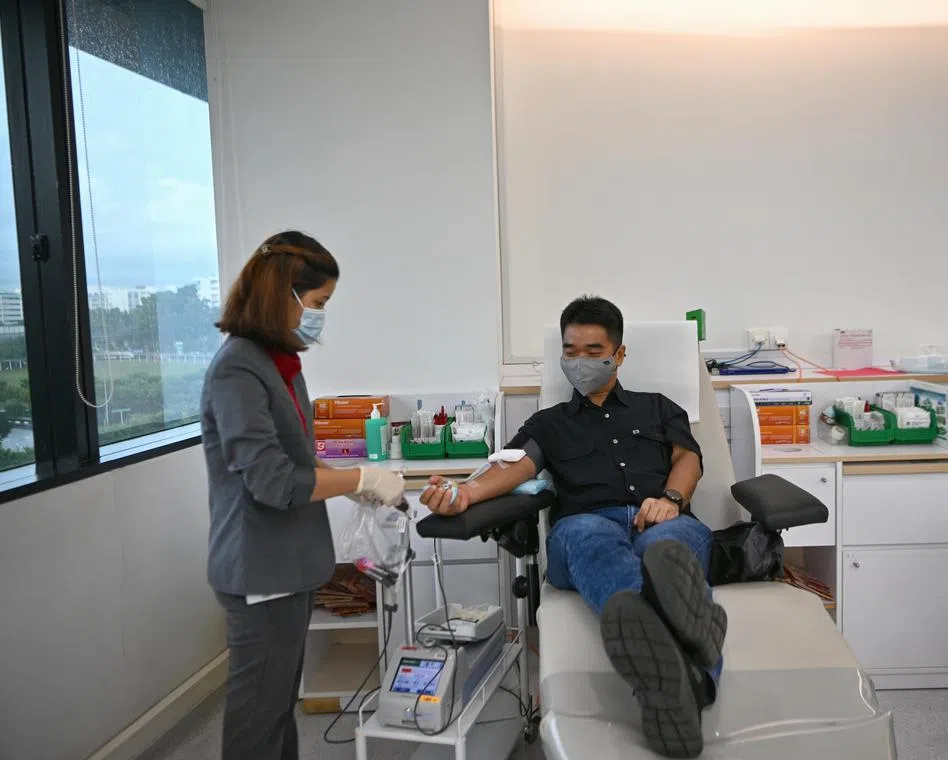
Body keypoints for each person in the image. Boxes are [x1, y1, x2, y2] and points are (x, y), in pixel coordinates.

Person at [420, 295, 726, 759]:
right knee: (585, 533)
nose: (579, 362)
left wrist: (670, 499)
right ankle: (696, 667)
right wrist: (464, 494)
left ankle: (671, 682)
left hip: (660, 518)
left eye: (592, 351)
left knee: (668, 545)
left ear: (619, 355)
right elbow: (514, 466)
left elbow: (688, 458)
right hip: (587, 526)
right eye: (570, 351)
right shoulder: (549, 423)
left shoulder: (659, 408)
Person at [201, 230, 405, 760]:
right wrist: (359, 480)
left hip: (288, 567)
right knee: (256, 721)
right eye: (317, 304)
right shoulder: (238, 369)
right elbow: (272, 482)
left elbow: (298, 455)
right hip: (261, 569)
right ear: (281, 295)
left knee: (276, 709)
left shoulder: (279, 364)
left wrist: (351, 482)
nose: (319, 317)